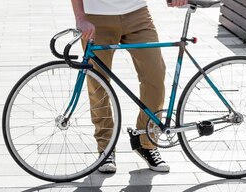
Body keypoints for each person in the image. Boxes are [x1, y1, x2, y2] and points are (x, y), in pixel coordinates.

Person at [70, 0, 188, 173]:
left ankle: (146, 142)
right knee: (98, 84)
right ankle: (106, 147)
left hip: (138, 15)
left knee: (155, 74)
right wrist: (80, 18)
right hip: (96, 18)